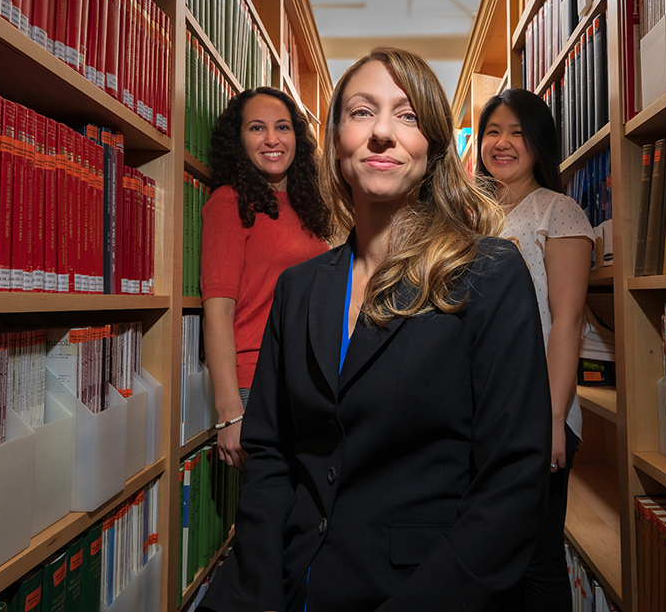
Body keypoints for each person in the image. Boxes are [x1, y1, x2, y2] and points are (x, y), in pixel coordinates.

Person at [200, 48, 552, 612]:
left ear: (433, 147)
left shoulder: (489, 273)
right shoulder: (299, 289)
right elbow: (270, 455)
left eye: (407, 115)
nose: (383, 132)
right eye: (362, 112)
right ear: (336, 140)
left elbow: (511, 482)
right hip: (295, 586)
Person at [475, 88, 594, 611]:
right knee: (487, 559)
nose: (502, 143)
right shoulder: (470, 217)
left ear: (539, 142)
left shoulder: (559, 211)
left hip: (537, 413)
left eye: (517, 132)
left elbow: (566, 322)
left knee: (537, 560)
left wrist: (552, 419)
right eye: (493, 131)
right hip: (480, 412)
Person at [201, 87, 331, 471]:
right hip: (255, 383)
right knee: (270, 512)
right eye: (257, 128)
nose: (272, 139)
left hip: (305, 379)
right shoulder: (229, 202)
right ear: (238, 140)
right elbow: (219, 311)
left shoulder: (307, 207)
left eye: (283, 127)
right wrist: (229, 414)